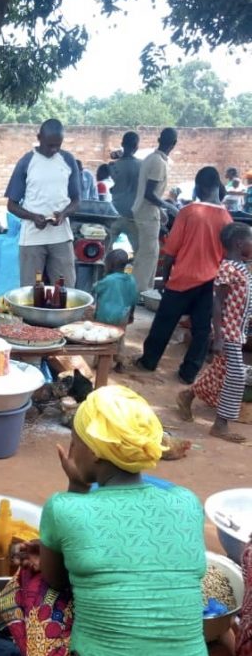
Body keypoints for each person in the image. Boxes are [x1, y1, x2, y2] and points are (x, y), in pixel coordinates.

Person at [0, 385, 207, 656]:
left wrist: (76, 486)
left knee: (33, 578)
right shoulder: (187, 502)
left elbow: (57, 580)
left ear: (95, 451)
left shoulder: (64, 507)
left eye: (75, 441)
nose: (71, 450)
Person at [136, 167, 232, 384]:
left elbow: (171, 251)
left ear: (199, 187)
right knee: (201, 329)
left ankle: (148, 362)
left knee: (164, 322)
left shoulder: (188, 212)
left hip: (182, 279)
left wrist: (165, 277)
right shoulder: (227, 217)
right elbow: (226, 256)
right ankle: (188, 373)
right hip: (210, 281)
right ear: (218, 187)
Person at [177, 222, 252, 443]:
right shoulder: (228, 268)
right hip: (227, 331)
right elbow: (217, 302)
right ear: (240, 243)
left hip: (236, 330)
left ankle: (187, 394)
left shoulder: (241, 265)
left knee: (219, 371)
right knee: (236, 376)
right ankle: (221, 424)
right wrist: (218, 337)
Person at [5, 119, 80, 287]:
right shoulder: (27, 161)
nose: (53, 150)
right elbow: (12, 204)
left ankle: (61, 314)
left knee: (65, 289)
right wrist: (33, 217)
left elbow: (76, 200)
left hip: (61, 237)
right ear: (39, 138)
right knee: (30, 291)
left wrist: (63, 214)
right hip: (32, 238)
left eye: (57, 145)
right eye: (49, 145)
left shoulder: (67, 160)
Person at [131, 128, 179, 293]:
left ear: (159, 139)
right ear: (174, 144)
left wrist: (162, 210)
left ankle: (145, 291)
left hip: (147, 211)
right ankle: (140, 294)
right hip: (146, 213)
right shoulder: (158, 162)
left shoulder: (152, 158)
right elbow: (149, 193)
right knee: (147, 256)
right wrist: (168, 206)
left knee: (150, 254)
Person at [93, 249, 139, 371]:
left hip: (105, 317)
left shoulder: (108, 280)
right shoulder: (131, 279)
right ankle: (120, 363)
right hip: (123, 316)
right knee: (120, 337)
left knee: (103, 338)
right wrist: (131, 315)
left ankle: (100, 364)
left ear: (110, 265)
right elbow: (134, 299)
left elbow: (96, 289)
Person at [108, 131, 142, 253]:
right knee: (138, 254)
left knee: (106, 252)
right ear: (137, 147)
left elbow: (111, 188)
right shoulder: (142, 165)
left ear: (122, 144)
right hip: (133, 216)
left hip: (114, 214)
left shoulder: (112, 166)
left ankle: (107, 271)